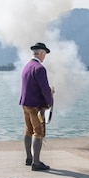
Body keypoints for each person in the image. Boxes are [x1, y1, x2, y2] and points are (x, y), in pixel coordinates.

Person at [19, 42, 54, 171]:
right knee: (38, 132)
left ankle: (29, 158)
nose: (45, 57)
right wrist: (50, 101)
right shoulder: (39, 68)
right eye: (45, 54)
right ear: (41, 53)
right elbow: (45, 89)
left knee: (28, 130)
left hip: (25, 103)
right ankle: (36, 162)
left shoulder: (26, 66)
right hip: (35, 106)